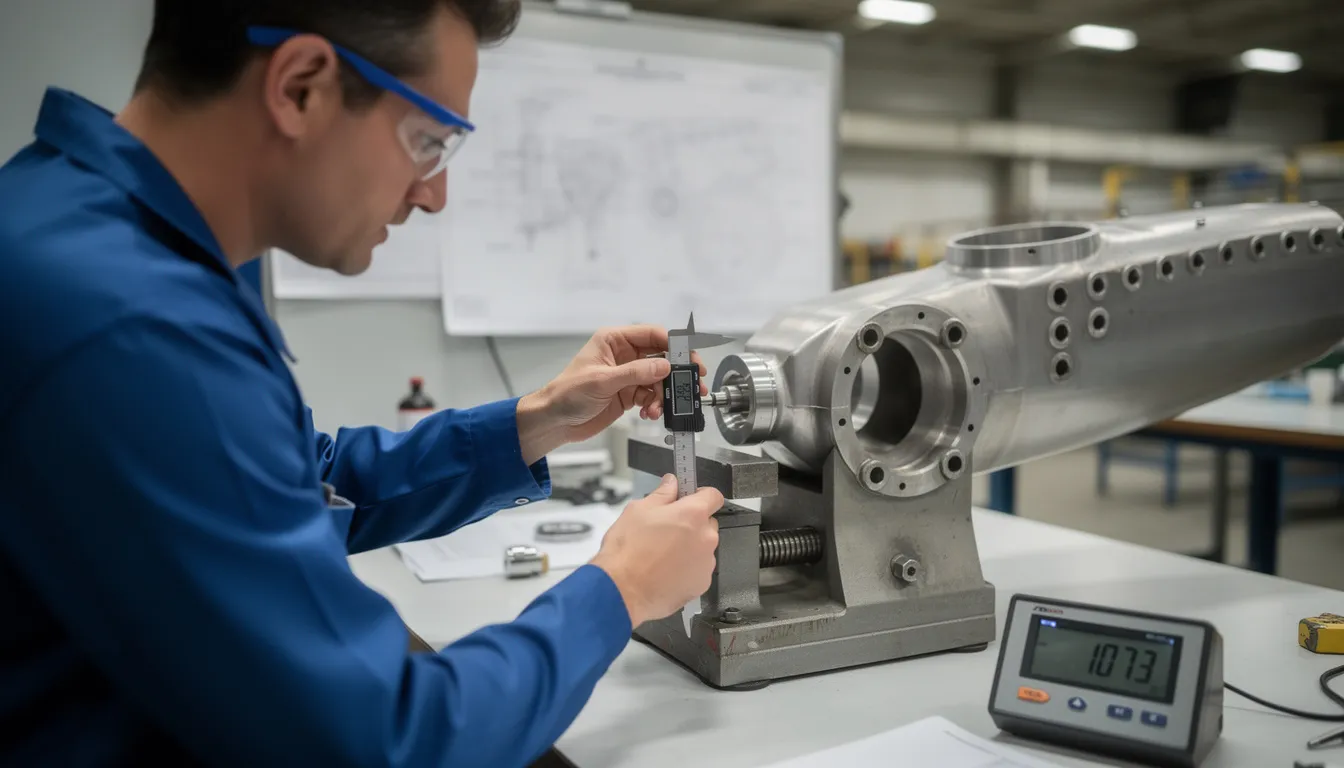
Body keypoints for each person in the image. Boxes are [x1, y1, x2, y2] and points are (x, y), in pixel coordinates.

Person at [0, 1, 725, 766]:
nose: (432, 194)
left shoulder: (92, 230)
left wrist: (535, 419)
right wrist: (621, 590)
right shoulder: (129, 322)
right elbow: (387, 742)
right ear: (301, 86)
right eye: (429, 141)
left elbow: (293, 485)